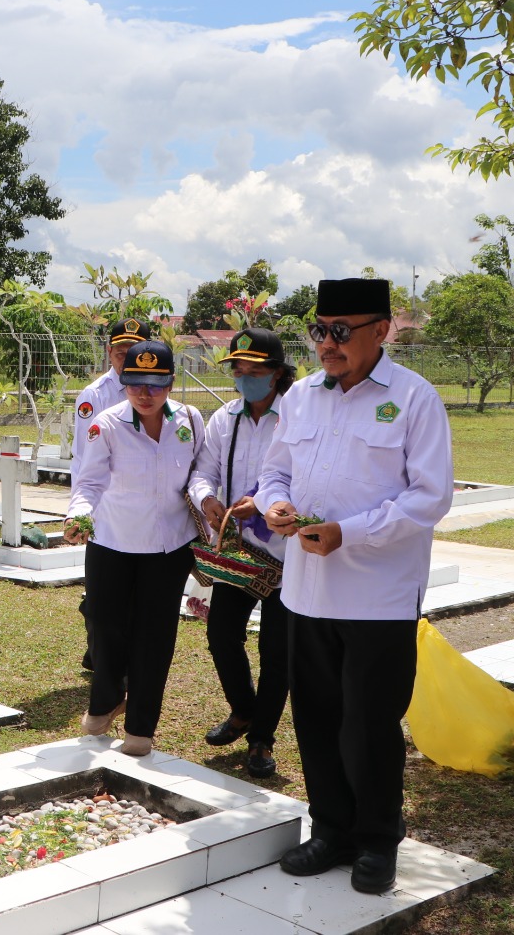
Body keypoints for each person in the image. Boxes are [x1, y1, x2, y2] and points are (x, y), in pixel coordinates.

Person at [257, 278, 453, 895]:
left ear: (382, 330)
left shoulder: (415, 399)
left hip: (377, 597)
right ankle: (330, 830)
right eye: (319, 331)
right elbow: (274, 469)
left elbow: (430, 496)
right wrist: (276, 504)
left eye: (342, 331)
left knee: (368, 725)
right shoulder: (302, 399)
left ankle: (375, 841)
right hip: (306, 592)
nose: (327, 345)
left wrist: (352, 532)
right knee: (315, 717)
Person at [62, 339, 203, 758]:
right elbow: (88, 482)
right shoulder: (105, 424)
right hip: (112, 541)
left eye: (156, 385)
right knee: (104, 628)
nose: (145, 393)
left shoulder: (190, 420)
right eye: (135, 383)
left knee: (155, 637)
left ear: (171, 382)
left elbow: (198, 474)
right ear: (123, 382)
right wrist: (78, 514)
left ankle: (141, 726)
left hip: (169, 547)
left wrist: (206, 497)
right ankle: (106, 700)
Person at [187, 327, 296, 779]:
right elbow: (202, 472)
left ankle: (261, 740)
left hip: (287, 554)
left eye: (254, 370)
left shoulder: (296, 416)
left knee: (277, 651)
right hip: (238, 552)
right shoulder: (225, 417)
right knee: (221, 635)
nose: (244, 378)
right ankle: (243, 710)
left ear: (276, 373)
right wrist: (207, 499)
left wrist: (268, 505)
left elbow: (309, 476)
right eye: (238, 370)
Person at [71, 316, 152, 671]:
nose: (125, 360)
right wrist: (82, 510)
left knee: (134, 593)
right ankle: (99, 654)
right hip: (104, 505)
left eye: (133, 352)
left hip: (141, 506)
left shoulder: (154, 391)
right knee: (102, 591)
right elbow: (81, 456)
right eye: (120, 352)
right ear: (109, 353)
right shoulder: (95, 395)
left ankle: (115, 656)